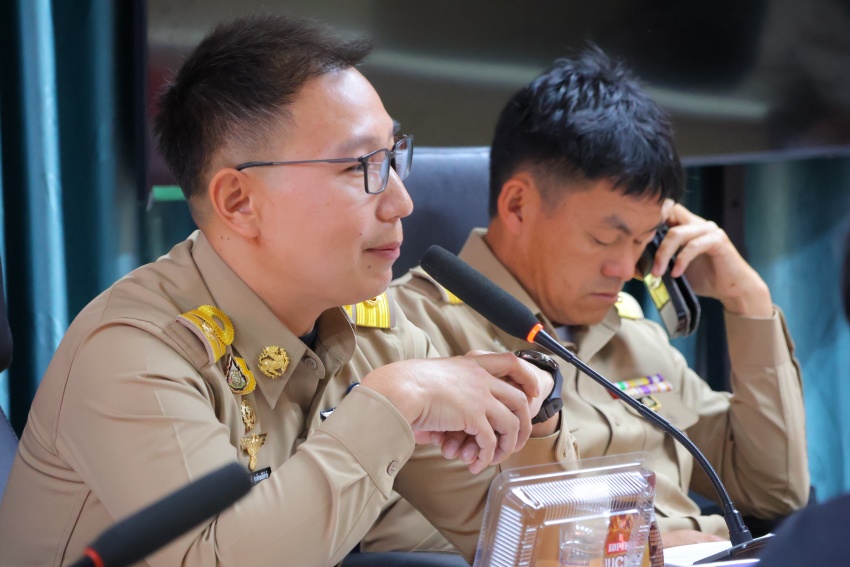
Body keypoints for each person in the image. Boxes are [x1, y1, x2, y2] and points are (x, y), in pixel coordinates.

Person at [0, 15, 575, 566]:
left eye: (394, 157)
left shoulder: (365, 327)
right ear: (239, 202)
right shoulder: (133, 353)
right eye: (361, 166)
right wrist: (396, 400)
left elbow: (525, 542)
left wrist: (533, 416)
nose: (402, 201)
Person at [392, 46, 810, 548]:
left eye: (642, 241)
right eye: (605, 239)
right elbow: (436, 537)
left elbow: (774, 492)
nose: (625, 269)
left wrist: (749, 302)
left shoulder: (634, 333)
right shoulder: (413, 332)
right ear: (518, 205)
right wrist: (653, 549)